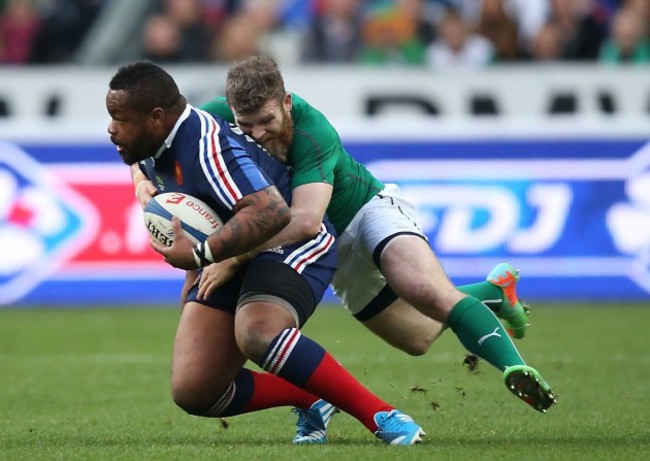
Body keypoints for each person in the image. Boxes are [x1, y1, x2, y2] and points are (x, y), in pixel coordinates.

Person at [131, 56, 557, 443]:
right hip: (320, 238)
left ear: (286, 102)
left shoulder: (314, 133)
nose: (258, 134)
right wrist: (140, 178)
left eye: (266, 120)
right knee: (418, 336)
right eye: (247, 125)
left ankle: (513, 367)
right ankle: (493, 291)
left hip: (364, 213)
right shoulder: (219, 118)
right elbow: (156, 137)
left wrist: (231, 256)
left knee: (427, 291)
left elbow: (304, 221)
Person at [107, 60, 425, 446]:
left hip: (289, 237)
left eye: (118, 119)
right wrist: (141, 180)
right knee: (195, 390)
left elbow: (272, 212)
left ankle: (381, 415)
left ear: (156, 117)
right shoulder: (154, 139)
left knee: (257, 331)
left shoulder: (206, 146)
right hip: (231, 245)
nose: (112, 129)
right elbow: (158, 172)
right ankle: (311, 398)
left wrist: (204, 254)